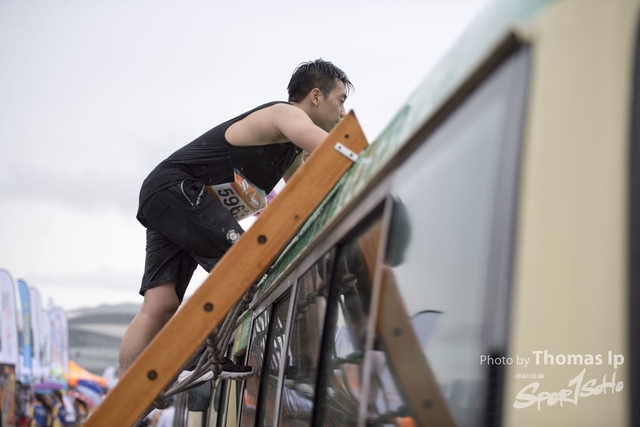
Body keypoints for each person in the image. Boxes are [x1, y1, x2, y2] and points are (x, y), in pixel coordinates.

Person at [119, 59, 353, 379]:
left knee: (160, 304)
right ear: (316, 96)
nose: (342, 113)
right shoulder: (286, 114)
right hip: (178, 189)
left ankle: (125, 394)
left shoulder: (290, 146)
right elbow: (334, 149)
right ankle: (190, 358)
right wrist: (352, 148)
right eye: (340, 101)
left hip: (165, 195)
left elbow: (303, 192)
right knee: (244, 261)